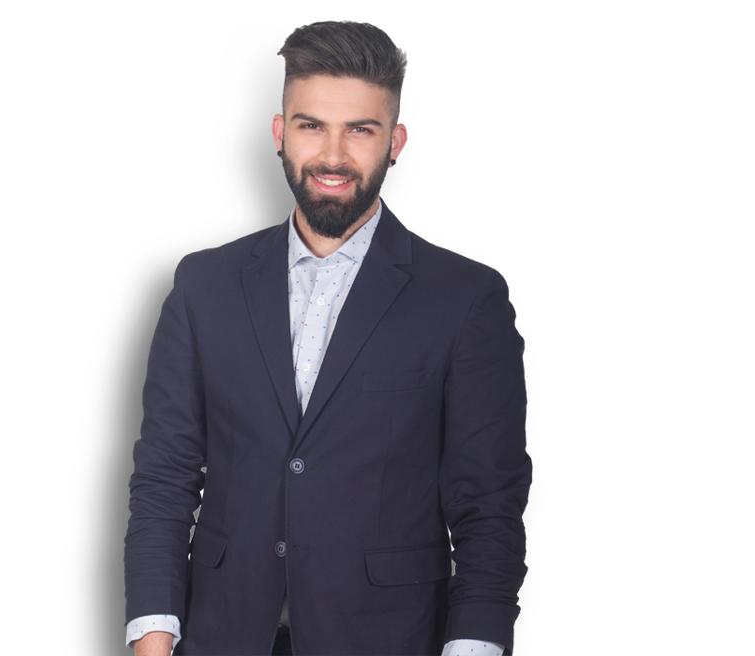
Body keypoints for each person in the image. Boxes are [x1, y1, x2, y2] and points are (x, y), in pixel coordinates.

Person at [124, 20, 530, 656]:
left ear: (394, 142)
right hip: (224, 636)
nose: (333, 155)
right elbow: (164, 475)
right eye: (312, 125)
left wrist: (475, 646)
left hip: (388, 639)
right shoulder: (204, 285)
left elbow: (489, 506)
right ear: (280, 133)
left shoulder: (465, 299)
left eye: (360, 130)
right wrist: (152, 638)